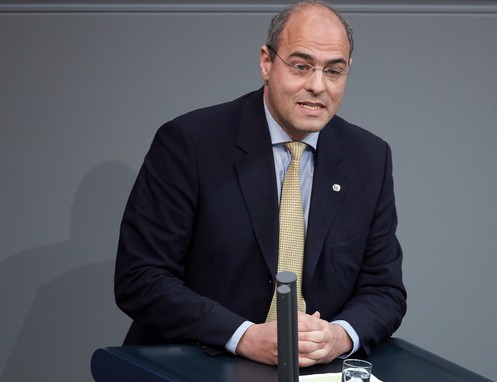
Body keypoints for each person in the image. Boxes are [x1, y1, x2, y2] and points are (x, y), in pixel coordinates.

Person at [114, 0, 406, 368]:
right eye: (301, 66)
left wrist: (339, 336)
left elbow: (384, 289)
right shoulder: (190, 143)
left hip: (316, 372)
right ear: (266, 62)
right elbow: (141, 277)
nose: (317, 86)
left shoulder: (369, 158)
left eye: (334, 71)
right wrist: (244, 337)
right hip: (201, 360)